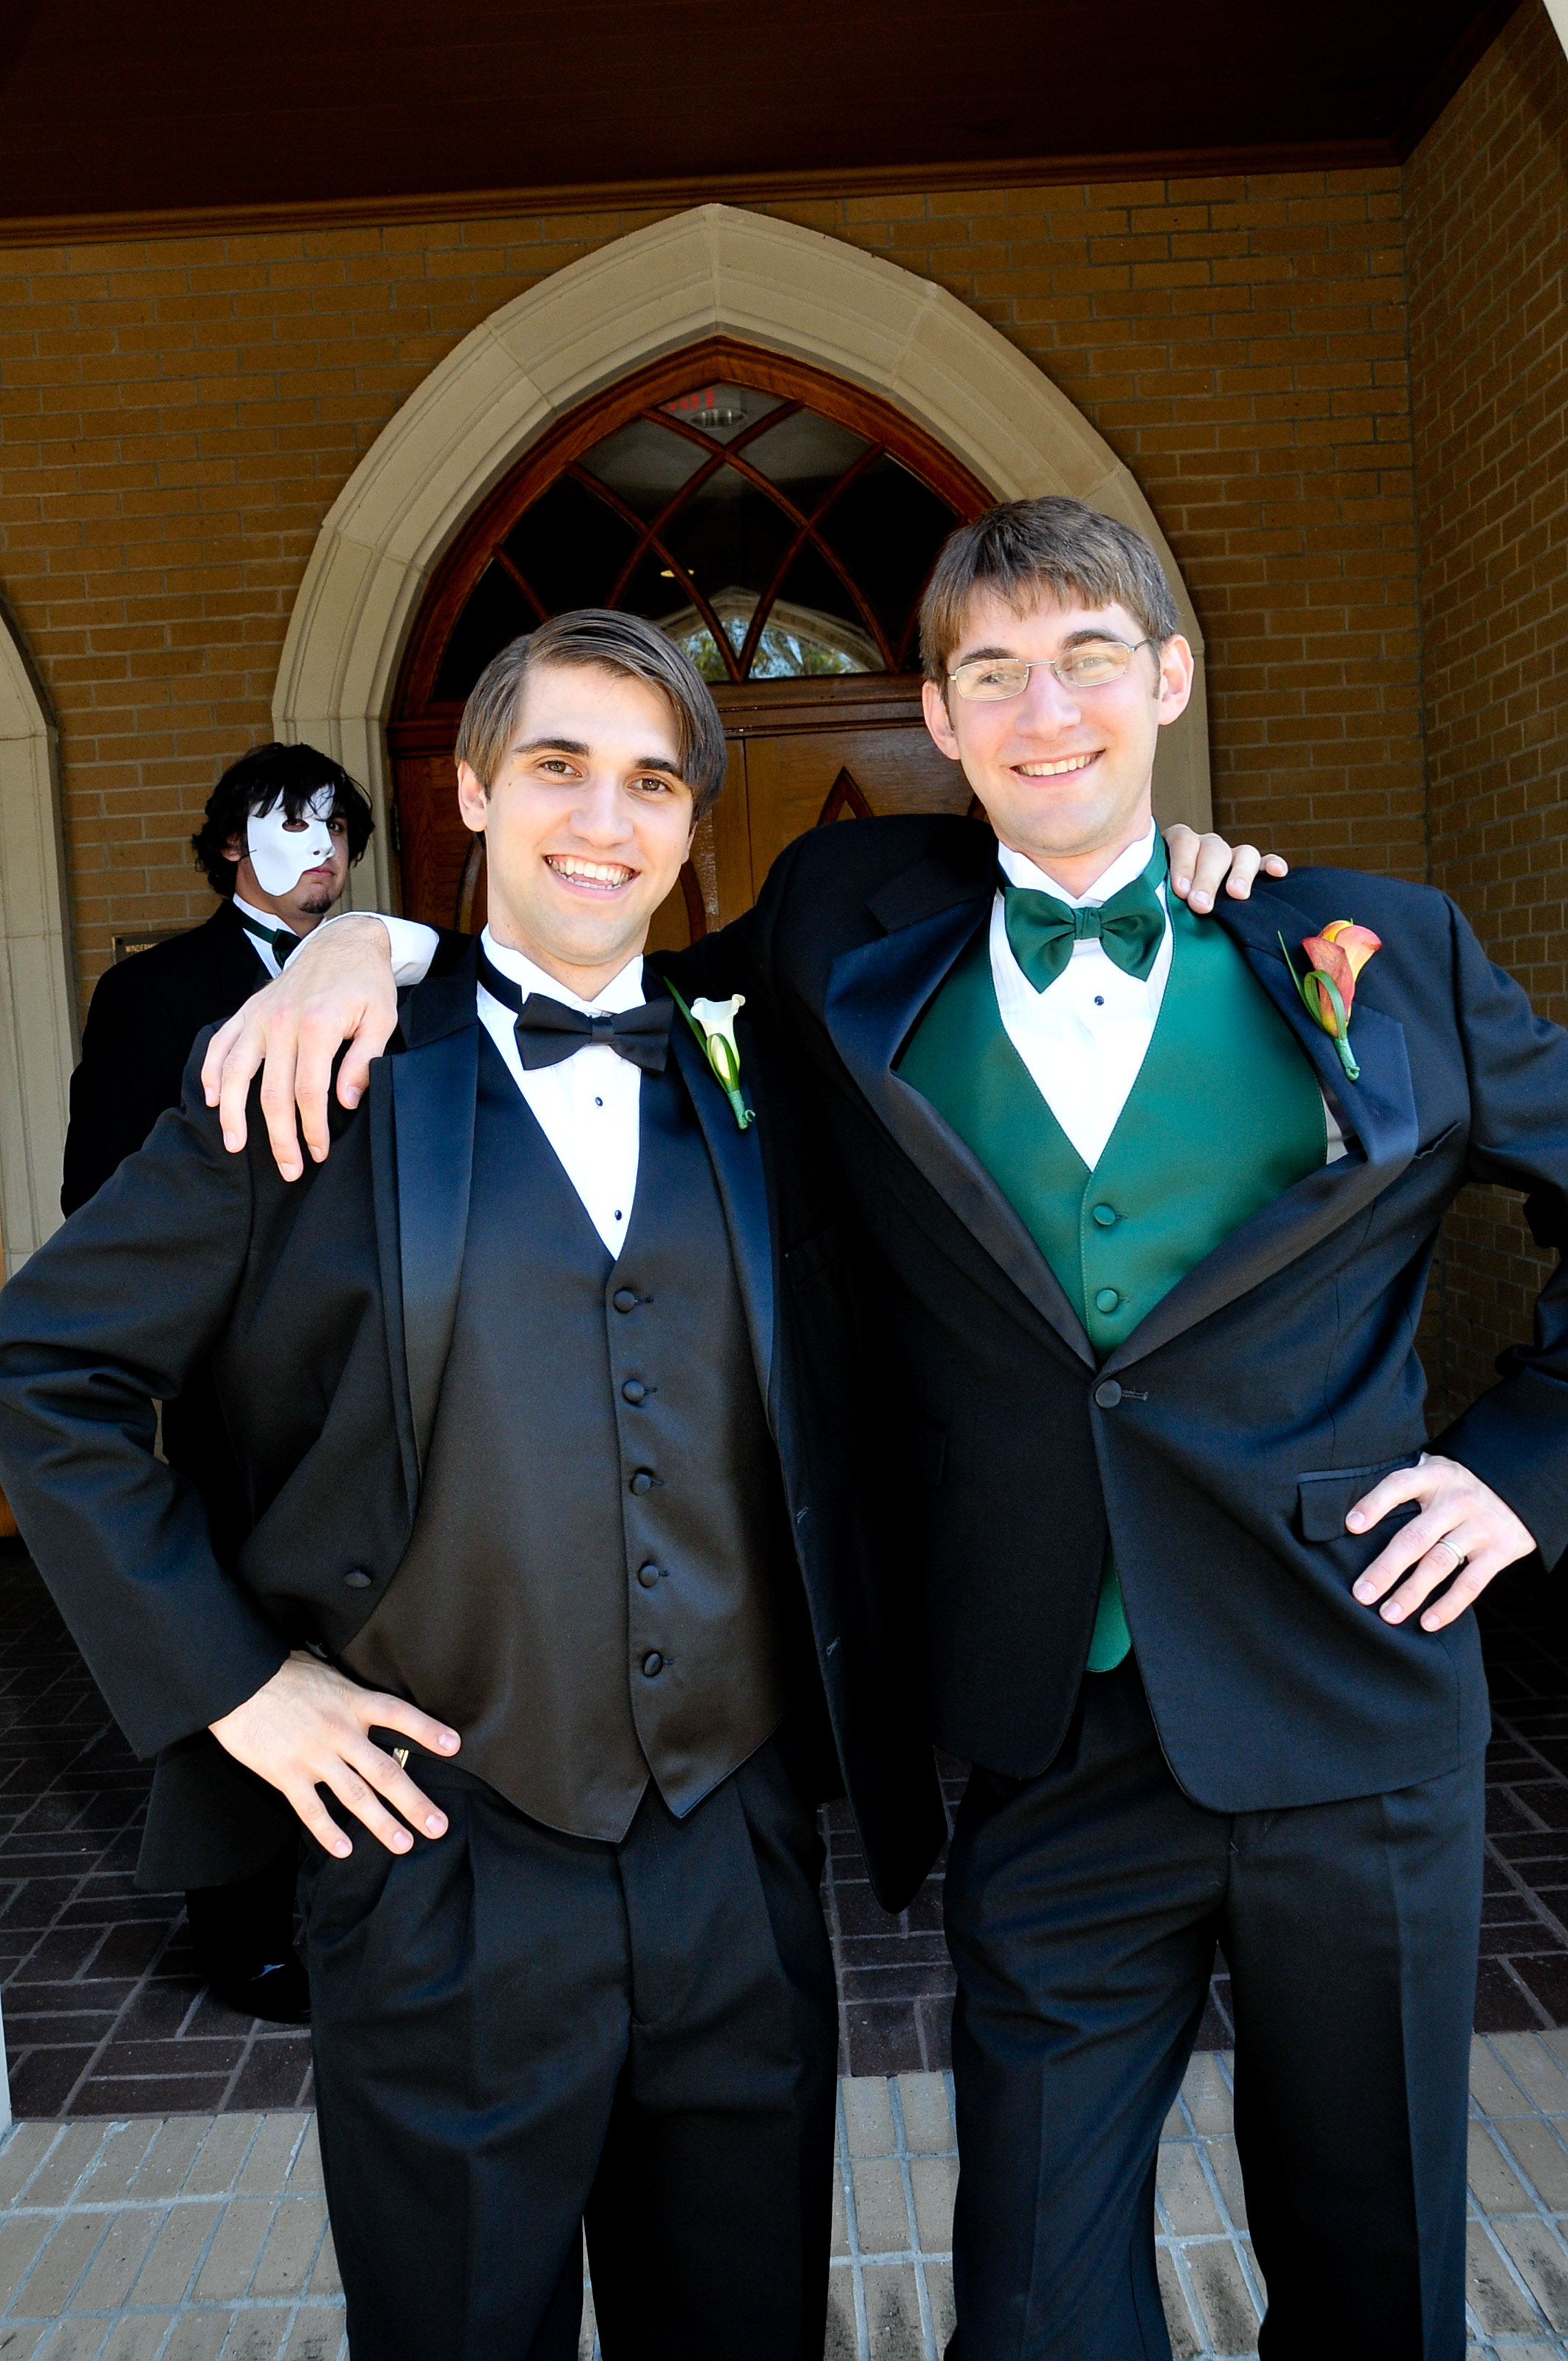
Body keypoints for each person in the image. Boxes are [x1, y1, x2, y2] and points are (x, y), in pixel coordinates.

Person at [216, 500, 1568, 2360]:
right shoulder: (857, 930)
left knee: (1381, 2283)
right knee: (1024, 2307)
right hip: (1044, 1739)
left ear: (1168, 678)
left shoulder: (1374, 947)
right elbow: (600, 973)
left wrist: (1521, 1472)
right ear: (936, 716)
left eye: (1091, 657)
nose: (1046, 711)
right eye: (992, 673)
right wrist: (358, 940)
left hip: (1357, 1717)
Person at [0, 612, 955, 2361]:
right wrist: (236, 1688)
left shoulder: (774, 1064)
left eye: (653, 781)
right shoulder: (316, 1073)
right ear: (471, 791)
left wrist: (1198, 862)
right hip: (437, 1860)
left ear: (692, 828)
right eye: (559, 768)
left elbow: (993, 845)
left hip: (733, 1858)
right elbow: (41, 1376)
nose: (605, 818)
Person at [60, 741, 377, 2026]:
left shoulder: (389, 971)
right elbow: (102, 1194)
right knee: (233, 1643)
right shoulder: (158, 995)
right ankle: (240, 1929)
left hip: (357, 1371)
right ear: (230, 848)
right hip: (225, 1385)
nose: (322, 852)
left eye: (338, 830)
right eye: (289, 826)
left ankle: (358, 1902)